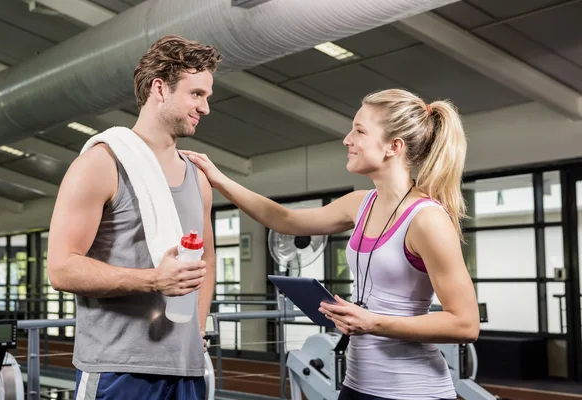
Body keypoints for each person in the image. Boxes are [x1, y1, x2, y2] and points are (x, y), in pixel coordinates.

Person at [182, 88, 480, 400]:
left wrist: (373, 322)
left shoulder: (427, 219)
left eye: (360, 131)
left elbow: (465, 323)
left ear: (394, 146)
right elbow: (285, 220)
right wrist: (220, 179)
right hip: (356, 385)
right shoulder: (360, 203)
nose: (347, 140)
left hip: (413, 391)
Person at [46, 35, 222, 400]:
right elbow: (61, 268)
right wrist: (155, 280)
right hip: (118, 367)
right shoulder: (100, 164)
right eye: (196, 94)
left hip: (186, 366)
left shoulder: (199, 176)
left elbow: (206, 257)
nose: (205, 108)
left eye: (207, 96)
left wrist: (199, 328)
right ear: (160, 88)